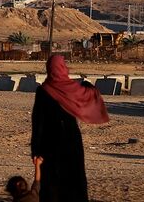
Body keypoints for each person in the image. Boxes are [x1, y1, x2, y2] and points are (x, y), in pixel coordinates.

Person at [31, 55, 109, 202]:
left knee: (51, 180)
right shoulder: (72, 89)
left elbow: (37, 123)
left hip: (49, 142)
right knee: (74, 178)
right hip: (71, 140)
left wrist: (35, 150)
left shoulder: (43, 91)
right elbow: (90, 93)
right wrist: (87, 85)